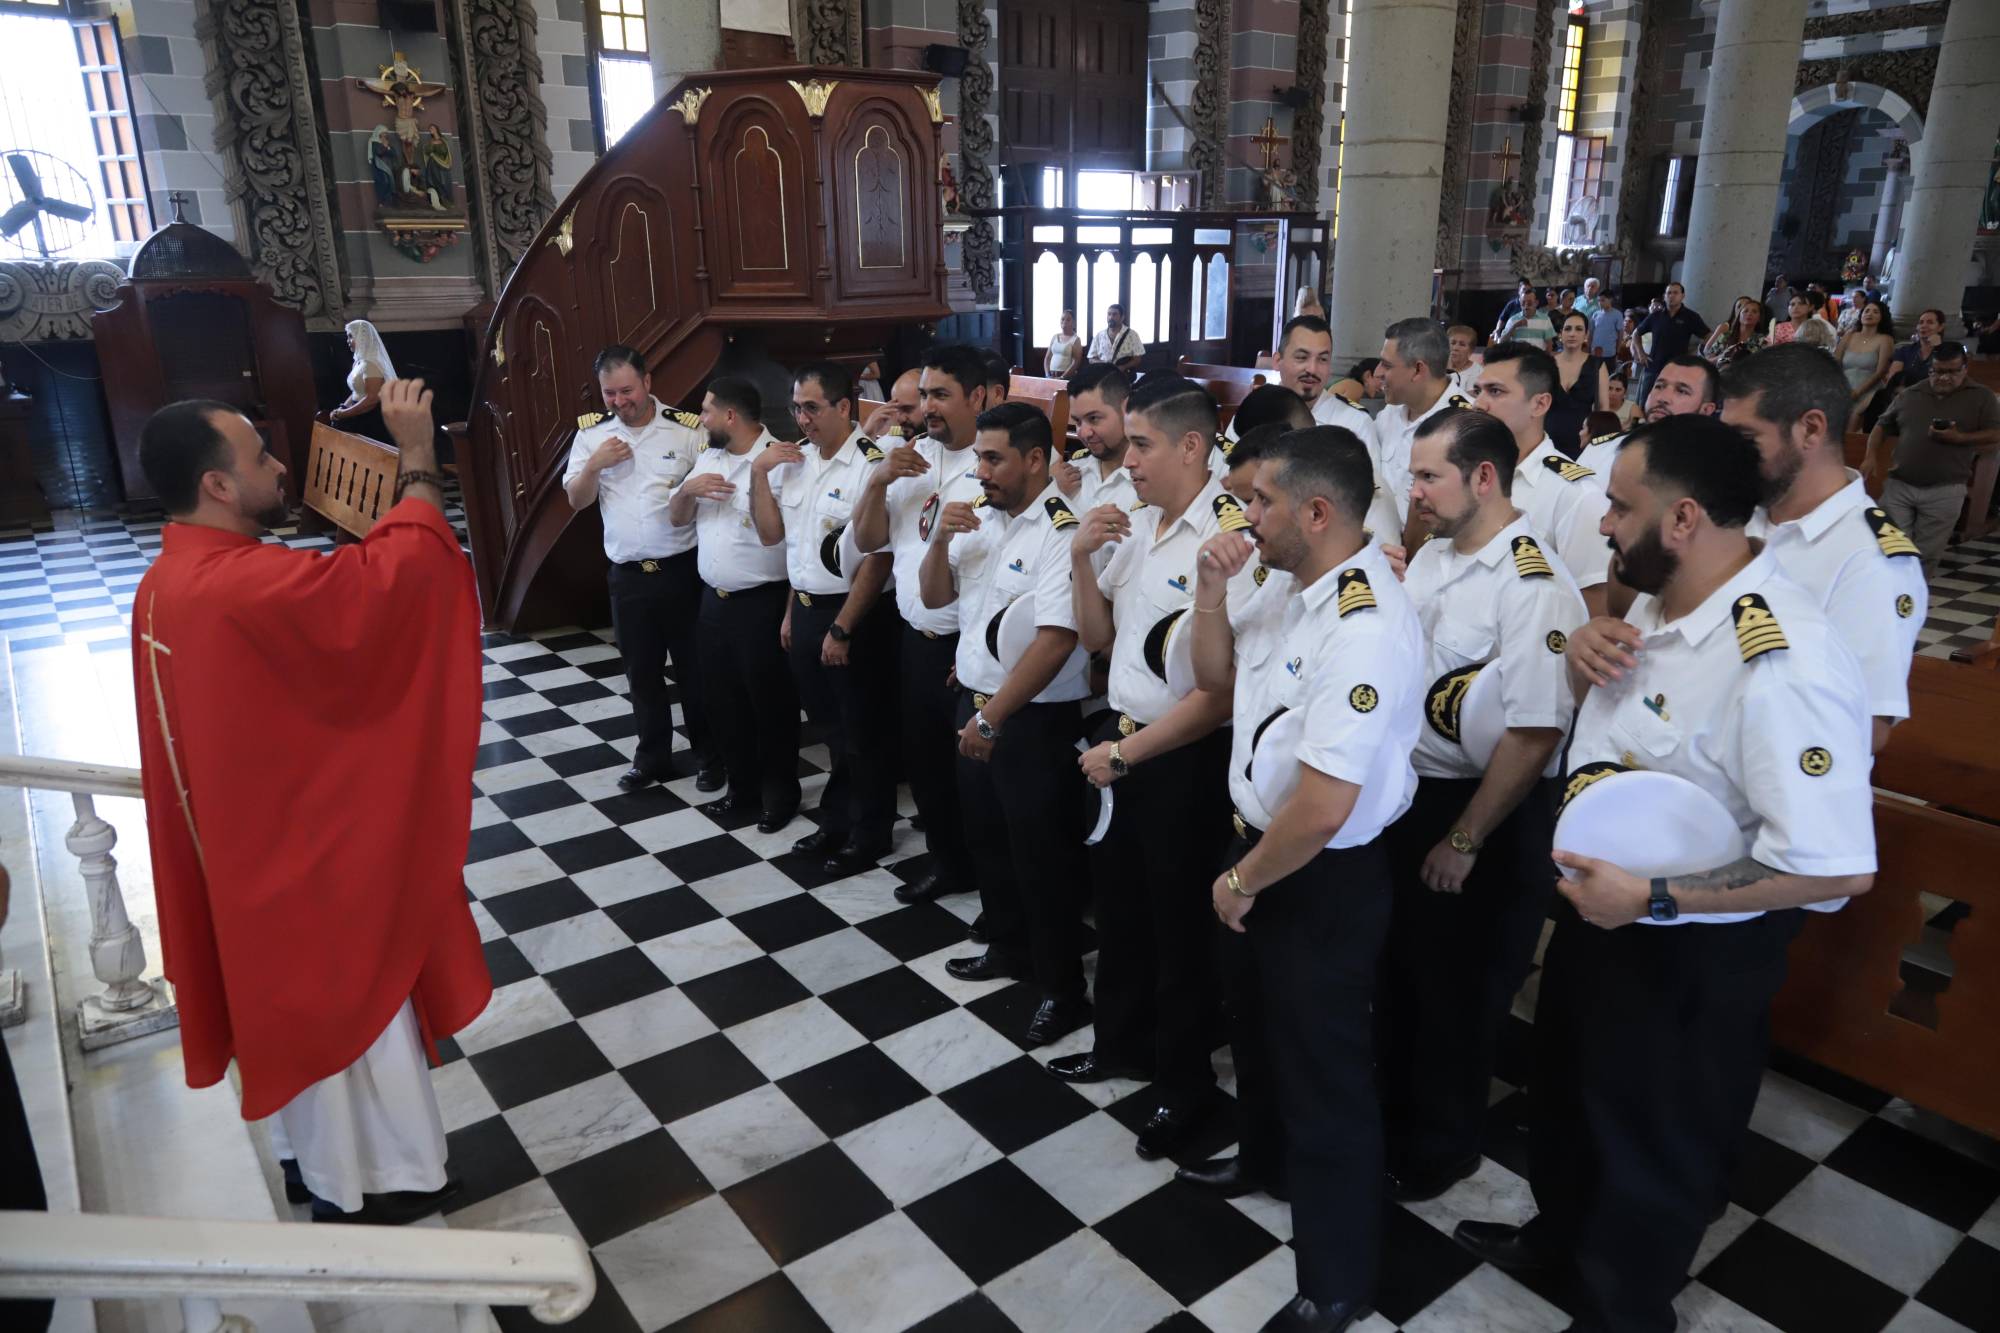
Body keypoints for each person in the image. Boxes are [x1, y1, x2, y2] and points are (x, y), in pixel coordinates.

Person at [1454, 414, 1876, 1333]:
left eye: (1620, 506)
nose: (1603, 523)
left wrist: (1651, 898)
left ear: (1684, 518)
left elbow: (1834, 870)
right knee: (1570, 1094)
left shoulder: (1782, 661)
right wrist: (1579, 654)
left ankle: (1625, 1309)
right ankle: (1560, 1237)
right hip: (1602, 912)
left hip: (1689, 947)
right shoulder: (1656, 601)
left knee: (1652, 1134)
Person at [134, 384, 490, 1225]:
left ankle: (315, 1163)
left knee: (290, 1015)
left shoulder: (167, 580)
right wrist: (416, 454)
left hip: (249, 851)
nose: (279, 465)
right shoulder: (236, 586)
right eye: (259, 455)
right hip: (304, 866)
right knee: (350, 1009)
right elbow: (395, 585)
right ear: (218, 485)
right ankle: (384, 1179)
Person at [1181, 427, 1424, 1333]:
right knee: (1255, 1029)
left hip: (1314, 874)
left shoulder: (1364, 626)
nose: (1246, 516)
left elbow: (1323, 807)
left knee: (1326, 1079)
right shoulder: (1289, 583)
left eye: (1261, 502)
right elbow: (1214, 679)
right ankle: (1263, 1157)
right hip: (1259, 846)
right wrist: (1212, 592)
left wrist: (1242, 879)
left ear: (1317, 512)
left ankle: (1337, 1279)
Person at [1379, 408, 1586, 1203]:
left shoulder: (1533, 584)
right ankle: (1395, 1116)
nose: (1415, 491)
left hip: (1485, 808)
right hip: (1416, 791)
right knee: (1405, 971)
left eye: (1429, 476)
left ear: (1485, 477)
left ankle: (1443, 1145)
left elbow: (1533, 735)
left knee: (1461, 989)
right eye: (1414, 475)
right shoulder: (1436, 553)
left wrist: (1464, 839)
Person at [1054, 375, 1251, 1158]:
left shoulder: (1229, 540)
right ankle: (1120, 1044)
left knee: (1178, 932)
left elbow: (1220, 693)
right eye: (1128, 442)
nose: (1126, 459)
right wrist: (1080, 559)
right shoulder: (1138, 520)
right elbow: (1098, 638)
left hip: (1182, 757)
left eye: (1142, 444)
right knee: (1121, 910)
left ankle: (1183, 1088)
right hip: (1123, 742)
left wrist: (1126, 753)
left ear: (1192, 446)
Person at [920, 402, 1092, 1045]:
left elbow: (1056, 641)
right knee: (988, 841)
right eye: (979, 458)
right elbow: (937, 598)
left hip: (1029, 720)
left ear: (1036, 459)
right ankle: (1008, 948)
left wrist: (991, 718)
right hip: (974, 703)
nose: (981, 471)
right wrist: (939, 539)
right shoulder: (979, 516)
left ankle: (1061, 991)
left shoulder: (1060, 531)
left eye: (994, 459)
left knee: (1041, 861)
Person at [1722, 343, 1927, 752]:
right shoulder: (1736, 512)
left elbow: (1866, 727)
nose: (1728, 456)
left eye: (1745, 438)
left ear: (1811, 429)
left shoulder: (1870, 561)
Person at [851, 344, 990, 905]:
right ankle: (948, 863)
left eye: (941, 395)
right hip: (914, 637)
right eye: (924, 395)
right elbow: (868, 541)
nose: (928, 407)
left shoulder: (996, 462)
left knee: (973, 778)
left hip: (967, 645)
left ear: (976, 397)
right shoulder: (906, 457)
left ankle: (992, 885)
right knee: (926, 765)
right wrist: (877, 481)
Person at [750, 362, 898, 873]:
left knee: (863, 733)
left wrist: (843, 628)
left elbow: (878, 558)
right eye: (796, 408)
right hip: (809, 610)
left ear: (843, 407)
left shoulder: (870, 465)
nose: (802, 418)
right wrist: (793, 612)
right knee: (832, 730)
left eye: (812, 408)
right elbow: (784, 541)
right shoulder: (797, 461)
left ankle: (871, 834)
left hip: (854, 615)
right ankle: (838, 822)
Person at [563, 344, 719, 794]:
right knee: (641, 673)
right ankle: (652, 758)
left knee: (695, 672)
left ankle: (710, 757)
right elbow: (577, 500)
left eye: (626, 390)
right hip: (627, 576)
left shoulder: (686, 430)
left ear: (647, 382)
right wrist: (595, 466)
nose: (619, 401)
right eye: (609, 393)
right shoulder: (592, 436)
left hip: (681, 571)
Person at [670, 377, 803, 834]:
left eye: (706, 410)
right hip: (713, 602)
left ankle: (780, 795)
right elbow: (676, 520)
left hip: (761, 602)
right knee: (722, 702)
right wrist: (686, 491)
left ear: (730, 416)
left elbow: (790, 543)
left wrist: (790, 613)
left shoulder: (780, 460)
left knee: (770, 706)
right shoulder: (709, 456)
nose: (700, 418)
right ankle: (742, 790)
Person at [1470, 343, 1614, 616]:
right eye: (1478, 391)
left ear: (1539, 404)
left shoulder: (1575, 495)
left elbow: (1594, 608)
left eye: (1495, 391)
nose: (1478, 404)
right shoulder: (1464, 473)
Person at [1868, 342, 2000, 582]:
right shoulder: (1912, 393)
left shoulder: (1982, 397)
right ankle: (1890, 595)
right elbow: (1882, 424)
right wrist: (1870, 456)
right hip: (1900, 484)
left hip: (1946, 487)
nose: (1943, 378)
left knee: (1927, 553)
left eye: (1951, 372)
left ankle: (1914, 597)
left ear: (1965, 368)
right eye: (1937, 371)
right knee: (1892, 548)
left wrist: (1961, 438)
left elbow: (1995, 434)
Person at [1374, 318, 1466, 527]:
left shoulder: (1465, 424)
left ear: (1418, 370)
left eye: (1386, 365)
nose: (1378, 372)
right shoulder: (1389, 414)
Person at [1576, 353, 1721, 477]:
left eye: (1682, 391)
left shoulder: (1710, 474)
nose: (1662, 397)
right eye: (1659, 386)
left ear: (1706, 410)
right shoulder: (1603, 448)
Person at [1053, 363, 1138, 518]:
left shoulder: (1152, 482)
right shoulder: (1071, 474)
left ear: (1127, 409)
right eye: (1078, 421)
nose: (1084, 433)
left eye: (1093, 418)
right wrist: (1052, 493)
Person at [1547, 309, 1611, 460]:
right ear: (1560, 334)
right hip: (1548, 440)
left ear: (1586, 335)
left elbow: (1603, 408)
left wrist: (1598, 443)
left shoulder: (1597, 365)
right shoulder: (1547, 364)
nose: (1572, 334)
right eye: (1568, 329)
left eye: (1578, 329)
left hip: (1583, 442)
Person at [1873, 307, 1947, 430]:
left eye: (1930, 322)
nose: (1924, 326)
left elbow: (1944, 376)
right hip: (1904, 398)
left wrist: (1938, 348)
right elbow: (1894, 379)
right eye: (1921, 322)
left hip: (1932, 400)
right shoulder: (1905, 351)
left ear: (1940, 327)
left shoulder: (1946, 352)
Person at [1631, 281, 1706, 400]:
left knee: (1670, 402)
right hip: (1653, 367)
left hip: (1677, 369)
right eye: (1669, 293)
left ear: (1682, 296)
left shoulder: (1691, 317)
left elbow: (1708, 336)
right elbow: (1636, 333)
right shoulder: (1655, 316)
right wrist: (1641, 353)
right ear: (1664, 296)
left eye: (1675, 293)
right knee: (1645, 401)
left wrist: (1696, 353)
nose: (1671, 296)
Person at [330, 320, 395, 440]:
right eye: (347, 337)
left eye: (351, 336)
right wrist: (342, 408)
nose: (348, 341)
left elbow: (372, 399)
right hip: (359, 411)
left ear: (362, 337)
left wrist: (345, 413)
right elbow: (356, 392)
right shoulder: (359, 362)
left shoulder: (371, 364)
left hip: (370, 418)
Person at [1835, 299, 1897, 416]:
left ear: (1882, 317)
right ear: (1861, 315)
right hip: (1843, 387)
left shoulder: (1885, 339)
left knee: (1856, 414)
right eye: (1866, 311)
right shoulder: (1849, 335)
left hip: (1869, 389)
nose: (1869, 314)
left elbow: (1881, 372)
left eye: (1875, 312)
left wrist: (1857, 393)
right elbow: (1835, 363)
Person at [1700, 296, 1768, 371]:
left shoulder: (1762, 340)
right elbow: (1708, 360)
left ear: (1759, 318)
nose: (1749, 314)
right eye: (1745, 311)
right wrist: (1722, 356)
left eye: (1754, 311)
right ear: (1739, 316)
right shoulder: (1725, 336)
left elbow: (1763, 366)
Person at [861, 366, 923, 439]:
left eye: (907, 409)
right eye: (897, 409)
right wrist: (867, 433)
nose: (900, 419)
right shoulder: (893, 438)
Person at [1770, 292, 1835, 351]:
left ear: (1811, 307)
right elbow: (1769, 349)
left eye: (1801, 304)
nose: (1796, 307)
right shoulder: (1779, 328)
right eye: (1792, 304)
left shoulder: (1817, 327)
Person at [1088, 303, 1145, 370]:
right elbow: (1091, 359)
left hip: (1124, 373)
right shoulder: (1099, 336)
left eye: (1114, 314)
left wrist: (1123, 367)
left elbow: (1137, 359)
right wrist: (1104, 364)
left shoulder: (1132, 335)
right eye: (1109, 314)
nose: (1111, 317)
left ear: (1122, 317)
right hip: (1104, 373)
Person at [1445, 324, 1482, 398]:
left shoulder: (1477, 371)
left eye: (1462, 345)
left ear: (1471, 350)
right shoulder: (1436, 365)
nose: (1455, 348)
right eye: (1453, 343)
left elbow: (1470, 399)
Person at [1045, 308, 1084, 378]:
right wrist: (1047, 374)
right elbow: (1047, 358)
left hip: (1066, 377)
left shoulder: (1076, 340)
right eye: (1062, 319)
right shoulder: (1055, 337)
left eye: (1068, 320)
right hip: (1051, 376)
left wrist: (1062, 377)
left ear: (1074, 323)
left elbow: (1076, 362)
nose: (1064, 321)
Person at [1588, 290, 1622, 360]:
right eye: (1598, 300)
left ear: (1610, 300)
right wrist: (1589, 348)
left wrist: (1617, 351)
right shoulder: (1595, 314)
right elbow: (1591, 333)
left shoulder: (1617, 315)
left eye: (1603, 300)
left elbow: (1620, 334)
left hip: (1610, 353)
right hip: (1595, 352)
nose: (1600, 303)